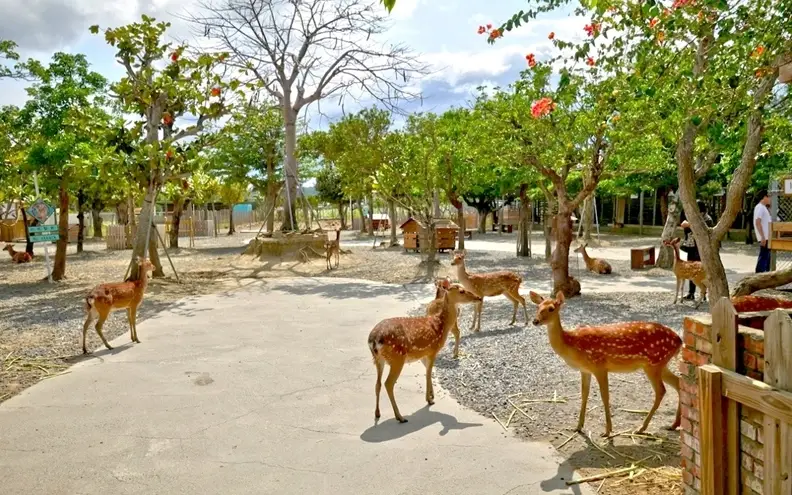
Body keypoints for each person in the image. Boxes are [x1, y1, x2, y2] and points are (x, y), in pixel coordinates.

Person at [680, 201, 714, 300]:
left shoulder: (707, 219)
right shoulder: (693, 218)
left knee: (701, 271)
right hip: (688, 246)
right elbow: (684, 226)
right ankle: (691, 292)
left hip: (700, 248)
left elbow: (703, 229)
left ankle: (704, 293)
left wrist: (690, 224)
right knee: (691, 270)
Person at [753, 190, 772, 273]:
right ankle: (759, 274)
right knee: (764, 256)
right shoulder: (760, 207)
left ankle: (765, 274)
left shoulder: (763, 207)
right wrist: (763, 236)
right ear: (764, 197)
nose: (770, 199)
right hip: (765, 237)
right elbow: (758, 222)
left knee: (767, 257)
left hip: (767, 236)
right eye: (769, 197)